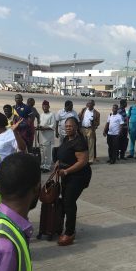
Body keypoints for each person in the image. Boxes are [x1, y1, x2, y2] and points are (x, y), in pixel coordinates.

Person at [53, 117, 92, 246]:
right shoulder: (66, 139)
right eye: (66, 126)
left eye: (71, 126)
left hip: (78, 176)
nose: (68, 128)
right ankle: (60, 226)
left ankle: (70, 233)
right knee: (64, 201)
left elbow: (83, 161)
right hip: (66, 175)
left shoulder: (80, 141)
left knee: (69, 202)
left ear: (77, 127)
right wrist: (58, 163)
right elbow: (63, 153)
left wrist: (67, 171)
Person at [78, 100, 100, 164]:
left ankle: (90, 160)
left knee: (90, 145)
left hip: (90, 129)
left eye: (91, 104)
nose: (89, 105)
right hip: (83, 129)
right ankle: (83, 158)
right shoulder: (84, 110)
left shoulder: (97, 113)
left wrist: (94, 124)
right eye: (89, 104)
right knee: (83, 145)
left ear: (93, 105)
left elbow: (98, 123)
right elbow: (78, 117)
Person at [38, 100, 55, 172]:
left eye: (46, 106)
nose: (44, 107)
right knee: (42, 152)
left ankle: (47, 166)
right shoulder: (41, 115)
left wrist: (44, 128)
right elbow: (41, 124)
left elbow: (53, 126)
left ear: (49, 107)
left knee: (47, 152)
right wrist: (38, 128)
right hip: (41, 136)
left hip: (48, 137)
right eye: (43, 106)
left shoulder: (51, 114)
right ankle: (42, 165)